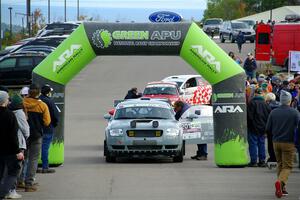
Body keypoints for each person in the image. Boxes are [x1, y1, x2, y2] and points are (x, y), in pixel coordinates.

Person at [266, 90, 299, 198]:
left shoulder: (273, 112)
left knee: (280, 164)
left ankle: (282, 189)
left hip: (276, 142)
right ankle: (280, 183)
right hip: (289, 142)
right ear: (289, 101)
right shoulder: (295, 112)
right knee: (288, 166)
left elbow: (268, 128)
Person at [22, 84, 51, 192]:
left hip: (23, 135)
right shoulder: (42, 106)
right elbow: (47, 121)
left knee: (23, 158)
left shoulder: (23, 103)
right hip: (37, 134)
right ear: (38, 93)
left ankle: (20, 181)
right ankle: (29, 183)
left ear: (29, 92)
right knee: (33, 159)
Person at [0, 91, 24, 199]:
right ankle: (3, 192)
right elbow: (13, 135)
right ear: (4, 101)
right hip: (9, 149)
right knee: (13, 171)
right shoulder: (10, 115)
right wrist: (18, 151)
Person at [6, 94, 30, 199]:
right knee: (16, 168)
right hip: (18, 144)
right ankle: (11, 190)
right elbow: (25, 130)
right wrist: (25, 138)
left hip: (7, 143)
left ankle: (6, 189)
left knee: (7, 168)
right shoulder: (19, 112)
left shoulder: (7, 111)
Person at [247, 88, 271, 167]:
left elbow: (249, 117)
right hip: (263, 128)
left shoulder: (251, 103)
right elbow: (269, 117)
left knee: (253, 144)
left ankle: (253, 161)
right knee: (262, 144)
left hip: (253, 127)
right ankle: (262, 161)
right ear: (262, 94)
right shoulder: (266, 104)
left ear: (255, 94)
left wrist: (249, 126)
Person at [38, 84, 59, 173]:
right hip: (48, 128)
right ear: (48, 92)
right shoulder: (49, 101)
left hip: (37, 128)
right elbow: (55, 115)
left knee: (34, 149)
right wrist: (54, 124)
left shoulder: (38, 100)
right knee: (45, 148)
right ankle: (45, 167)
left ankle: (33, 167)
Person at [265, 93, 280, 166]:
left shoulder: (267, 106)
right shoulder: (280, 105)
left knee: (271, 144)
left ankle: (272, 158)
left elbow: (267, 119)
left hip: (271, 128)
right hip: (280, 128)